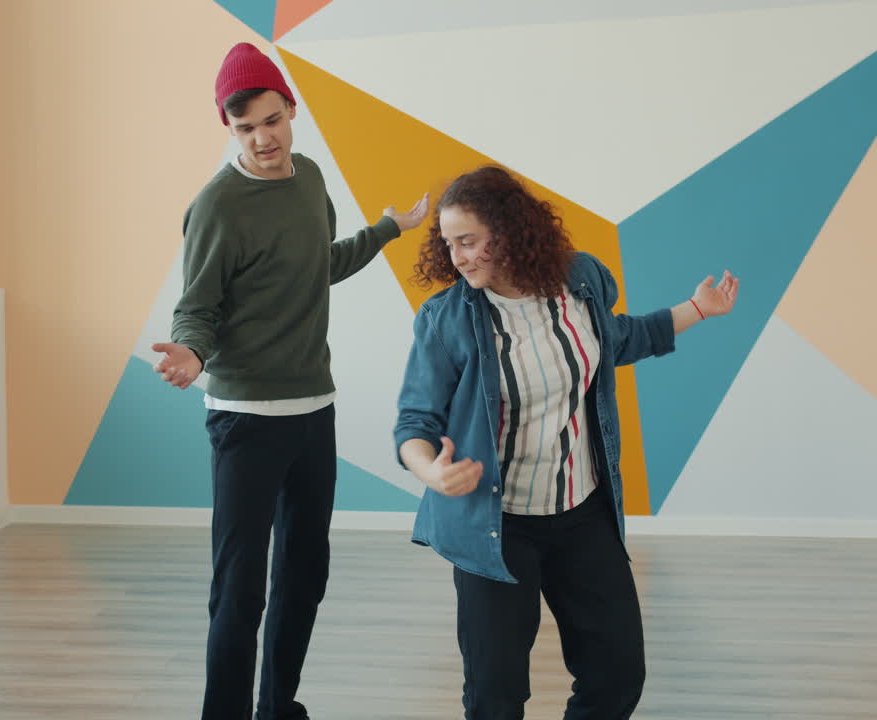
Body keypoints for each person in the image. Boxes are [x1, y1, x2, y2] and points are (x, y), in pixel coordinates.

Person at [393, 165, 738, 719]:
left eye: (469, 241)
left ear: (507, 232)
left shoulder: (579, 280)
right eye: (449, 243)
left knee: (617, 671)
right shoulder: (447, 320)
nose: (457, 257)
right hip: (497, 526)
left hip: (582, 513)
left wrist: (699, 308)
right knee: (495, 695)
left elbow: (619, 338)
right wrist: (430, 471)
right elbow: (415, 422)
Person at [151, 42, 428, 720]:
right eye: (244, 128)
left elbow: (320, 264)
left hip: (312, 409)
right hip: (246, 418)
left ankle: (278, 706)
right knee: (241, 588)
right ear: (230, 129)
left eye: (270, 121)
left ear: (290, 111)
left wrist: (389, 229)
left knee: (306, 575)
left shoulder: (307, 178)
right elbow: (198, 307)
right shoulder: (218, 205)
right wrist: (190, 350)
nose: (262, 138)